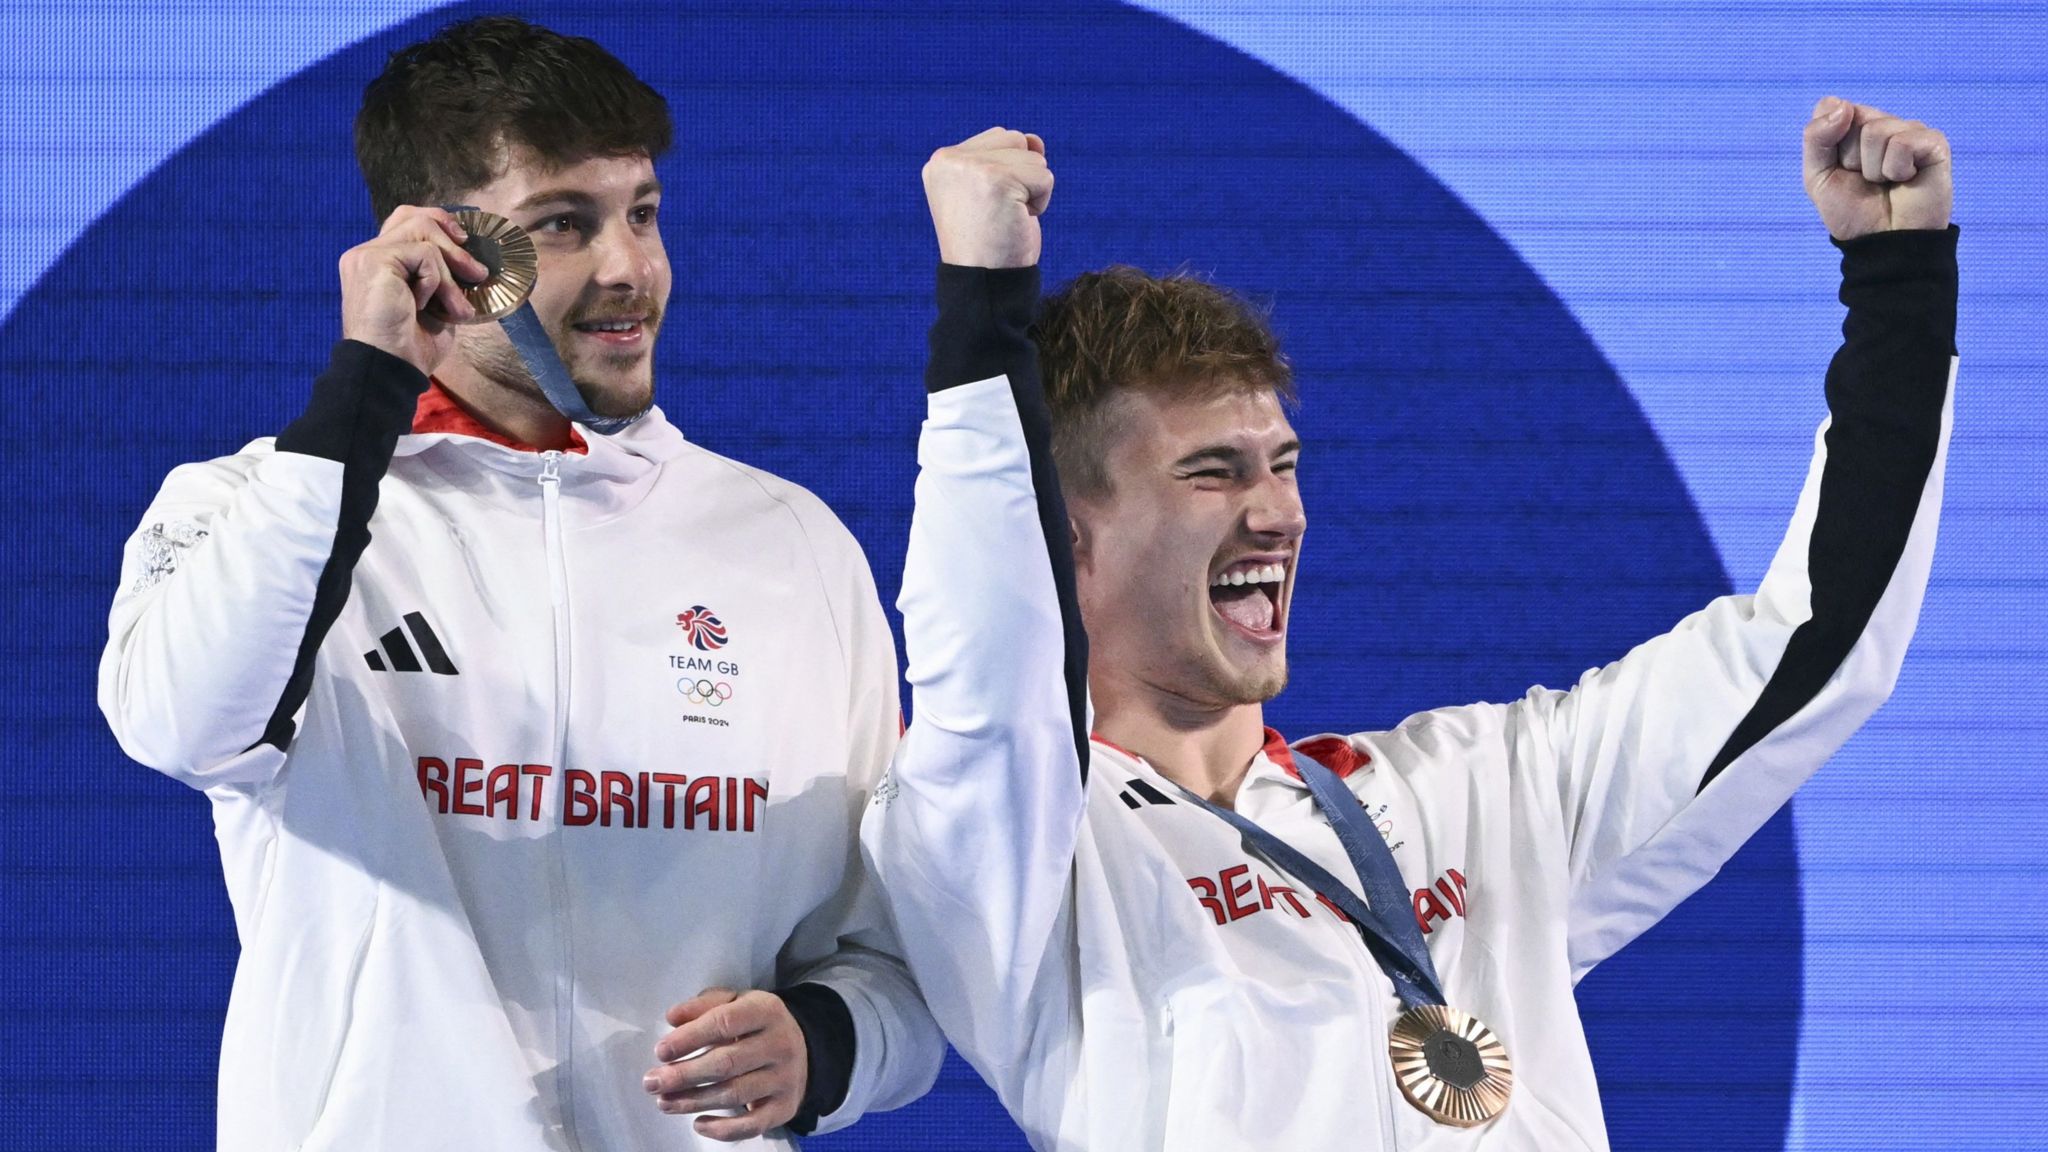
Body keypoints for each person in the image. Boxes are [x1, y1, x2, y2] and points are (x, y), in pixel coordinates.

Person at [865, 100, 1954, 1149]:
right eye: (1212, 474)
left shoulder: (1476, 792)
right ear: (1067, 544)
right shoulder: (1011, 851)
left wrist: (1897, 291)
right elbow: (988, 652)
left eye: (1283, 467)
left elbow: (1809, 647)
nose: (1275, 512)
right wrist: (982, 303)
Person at [98, 17, 941, 1150]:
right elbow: (179, 721)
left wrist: (825, 1043)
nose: (626, 269)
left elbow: (893, 964)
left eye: (640, 213)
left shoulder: (791, 547)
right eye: (561, 224)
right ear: (441, 253)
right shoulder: (256, 509)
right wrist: (361, 394)